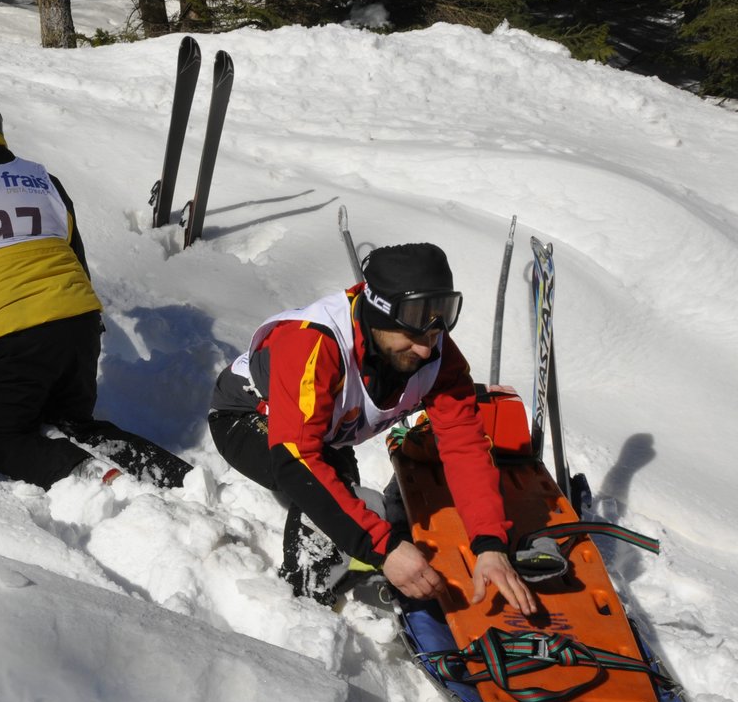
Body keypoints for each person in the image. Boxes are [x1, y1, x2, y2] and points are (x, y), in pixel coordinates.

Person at [208, 243, 537, 613]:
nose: (427, 349)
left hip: (326, 435)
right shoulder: (314, 343)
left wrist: (489, 542)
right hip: (248, 418)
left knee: (348, 502)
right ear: (378, 315)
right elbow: (295, 458)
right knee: (332, 498)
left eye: (435, 331)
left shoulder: (437, 355)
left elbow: (464, 447)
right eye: (413, 335)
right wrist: (386, 548)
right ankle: (303, 607)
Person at [0, 94, 192, 490]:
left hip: (12, 333)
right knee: (76, 423)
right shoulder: (43, 179)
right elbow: (75, 255)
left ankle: (93, 481)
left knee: (4, 436)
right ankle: (177, 477)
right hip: (79, 327)